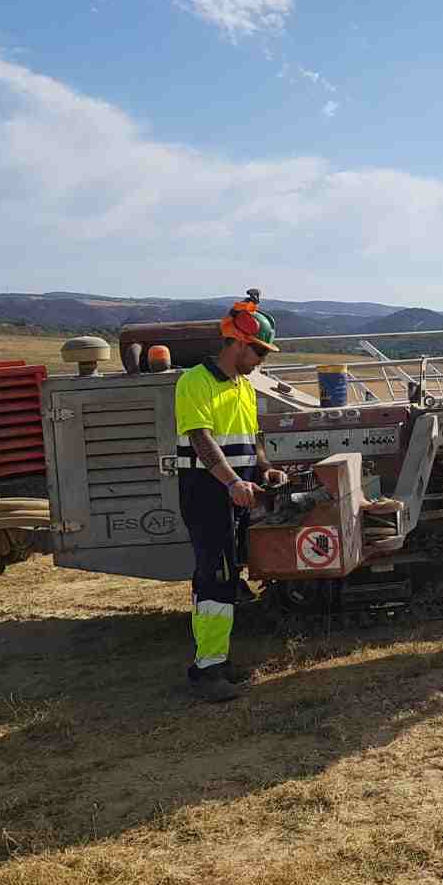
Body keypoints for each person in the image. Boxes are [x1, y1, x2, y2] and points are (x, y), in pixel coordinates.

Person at [174, 293, 288, 702]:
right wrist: (231, 483)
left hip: (233, 493)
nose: (262, 361)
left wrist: (264, 469)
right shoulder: (194, 382)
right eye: (259, 352)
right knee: (215, 578)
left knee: (227, 577)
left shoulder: (243, 387)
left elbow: (251, 440)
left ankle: (215, 661)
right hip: (207, 492)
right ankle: (207, 671)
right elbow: (202, 440)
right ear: (238, 343)